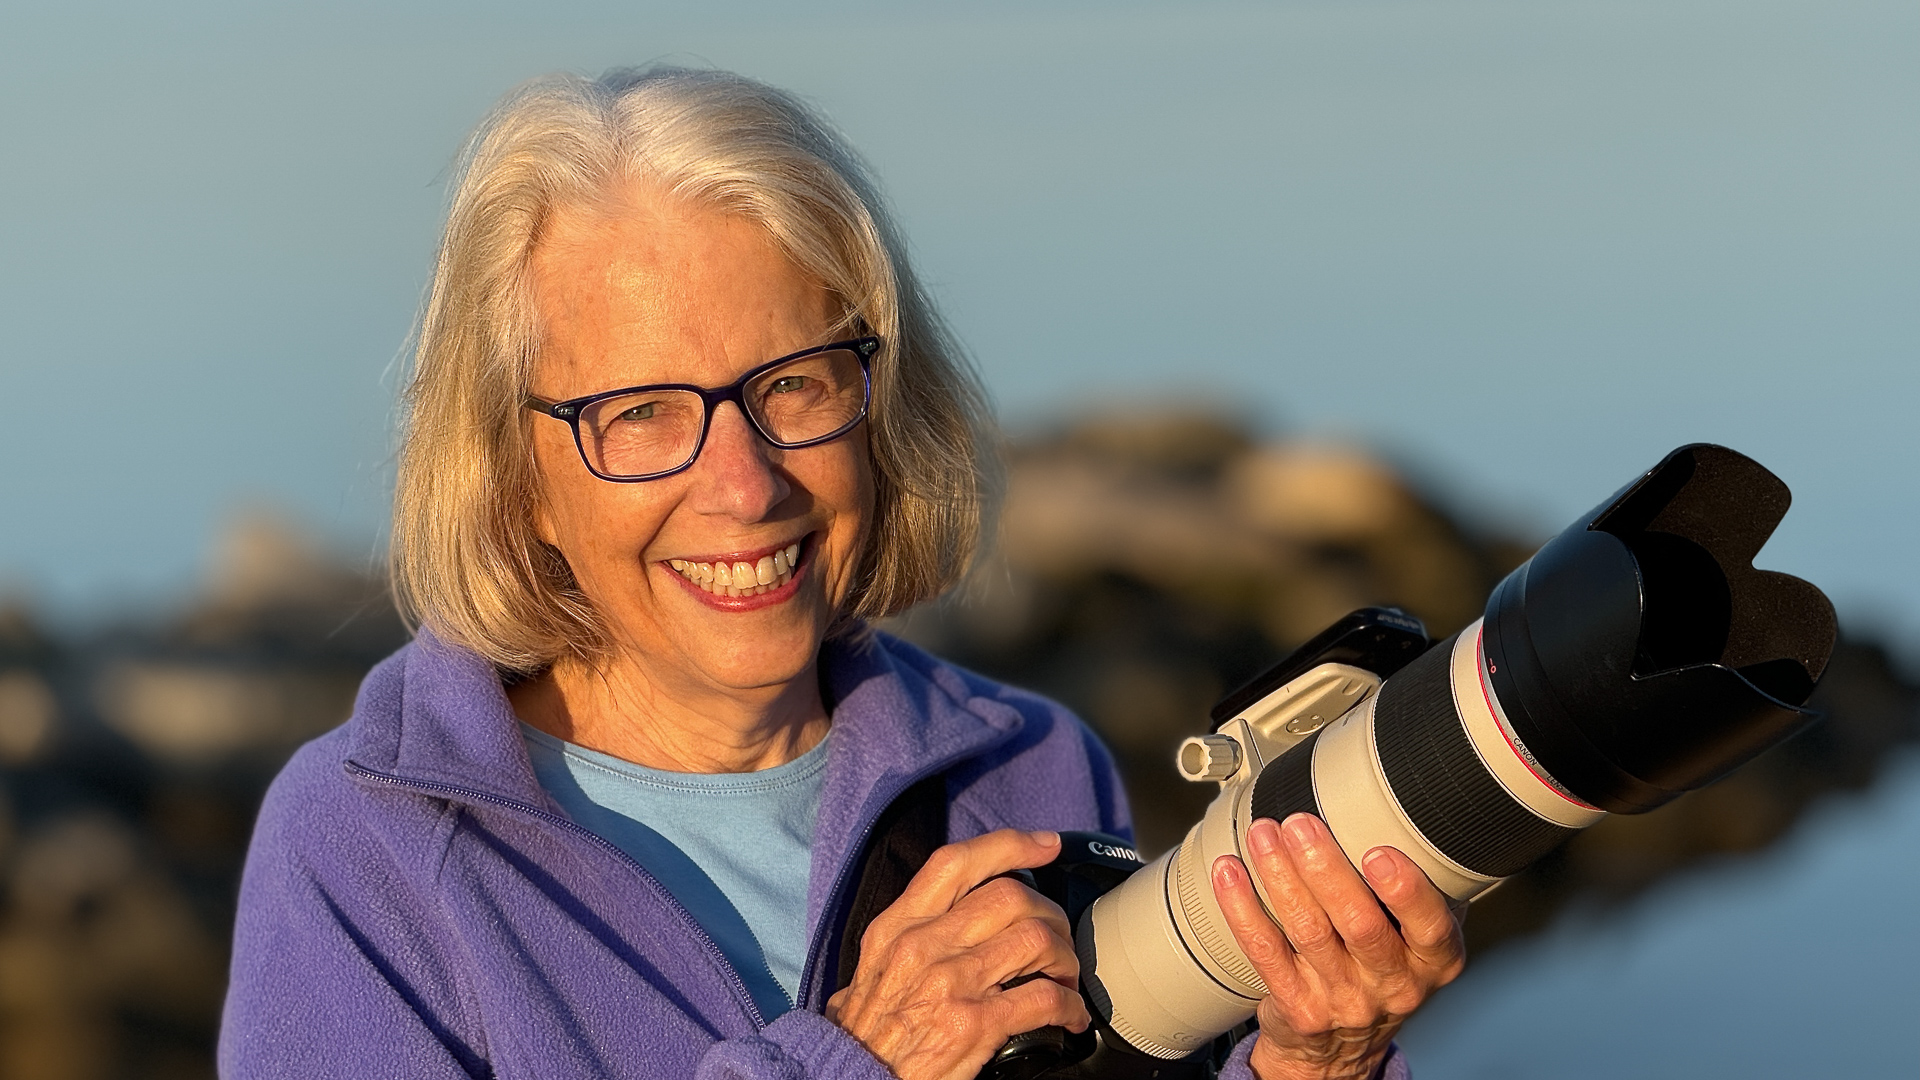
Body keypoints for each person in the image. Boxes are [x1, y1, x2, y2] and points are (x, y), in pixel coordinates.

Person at [218, 67, 1464, 1080]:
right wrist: (854, 1062)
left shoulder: (1023, 771)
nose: (746, 484)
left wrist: (1315, 1065)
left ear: (879, 405)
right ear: (516, 477)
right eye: (642, 413)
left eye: (794, 385)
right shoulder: (367, 851)